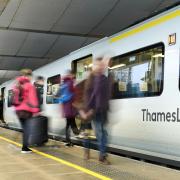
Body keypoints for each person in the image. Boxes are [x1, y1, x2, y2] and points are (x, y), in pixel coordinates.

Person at [81, 57, 111, 164]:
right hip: (89, 111)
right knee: (88, 133)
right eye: (97, 65)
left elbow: (106, 95)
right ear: (93, 66)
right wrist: (85, 110)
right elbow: (86, 96)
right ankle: (87, 151)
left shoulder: (105, 79)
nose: (100, 67)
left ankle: (102, 155)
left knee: (103, 134)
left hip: (101, 111)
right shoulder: (89, 79)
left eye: (102, 65)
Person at [13, 69, 40, 153]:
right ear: (29, 76)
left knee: (25, 129)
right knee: (27, 129)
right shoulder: (29, 85)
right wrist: (36, 111)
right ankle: (25, 148)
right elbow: (33, 99)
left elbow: (15, 99)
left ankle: (25, 146)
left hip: (18, 111)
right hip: (26, 111)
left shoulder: (17, 84)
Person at [59, 70, 79, 147]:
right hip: (71, 107)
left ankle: (68, 141)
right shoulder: (70, 83)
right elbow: (74, 94)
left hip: (66, 108)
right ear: (71, 75)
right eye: (73, 75)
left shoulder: (63, 84)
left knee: (69, 123)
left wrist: (62, 111)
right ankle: (77, 134)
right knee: (72, 122)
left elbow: (60, 97)